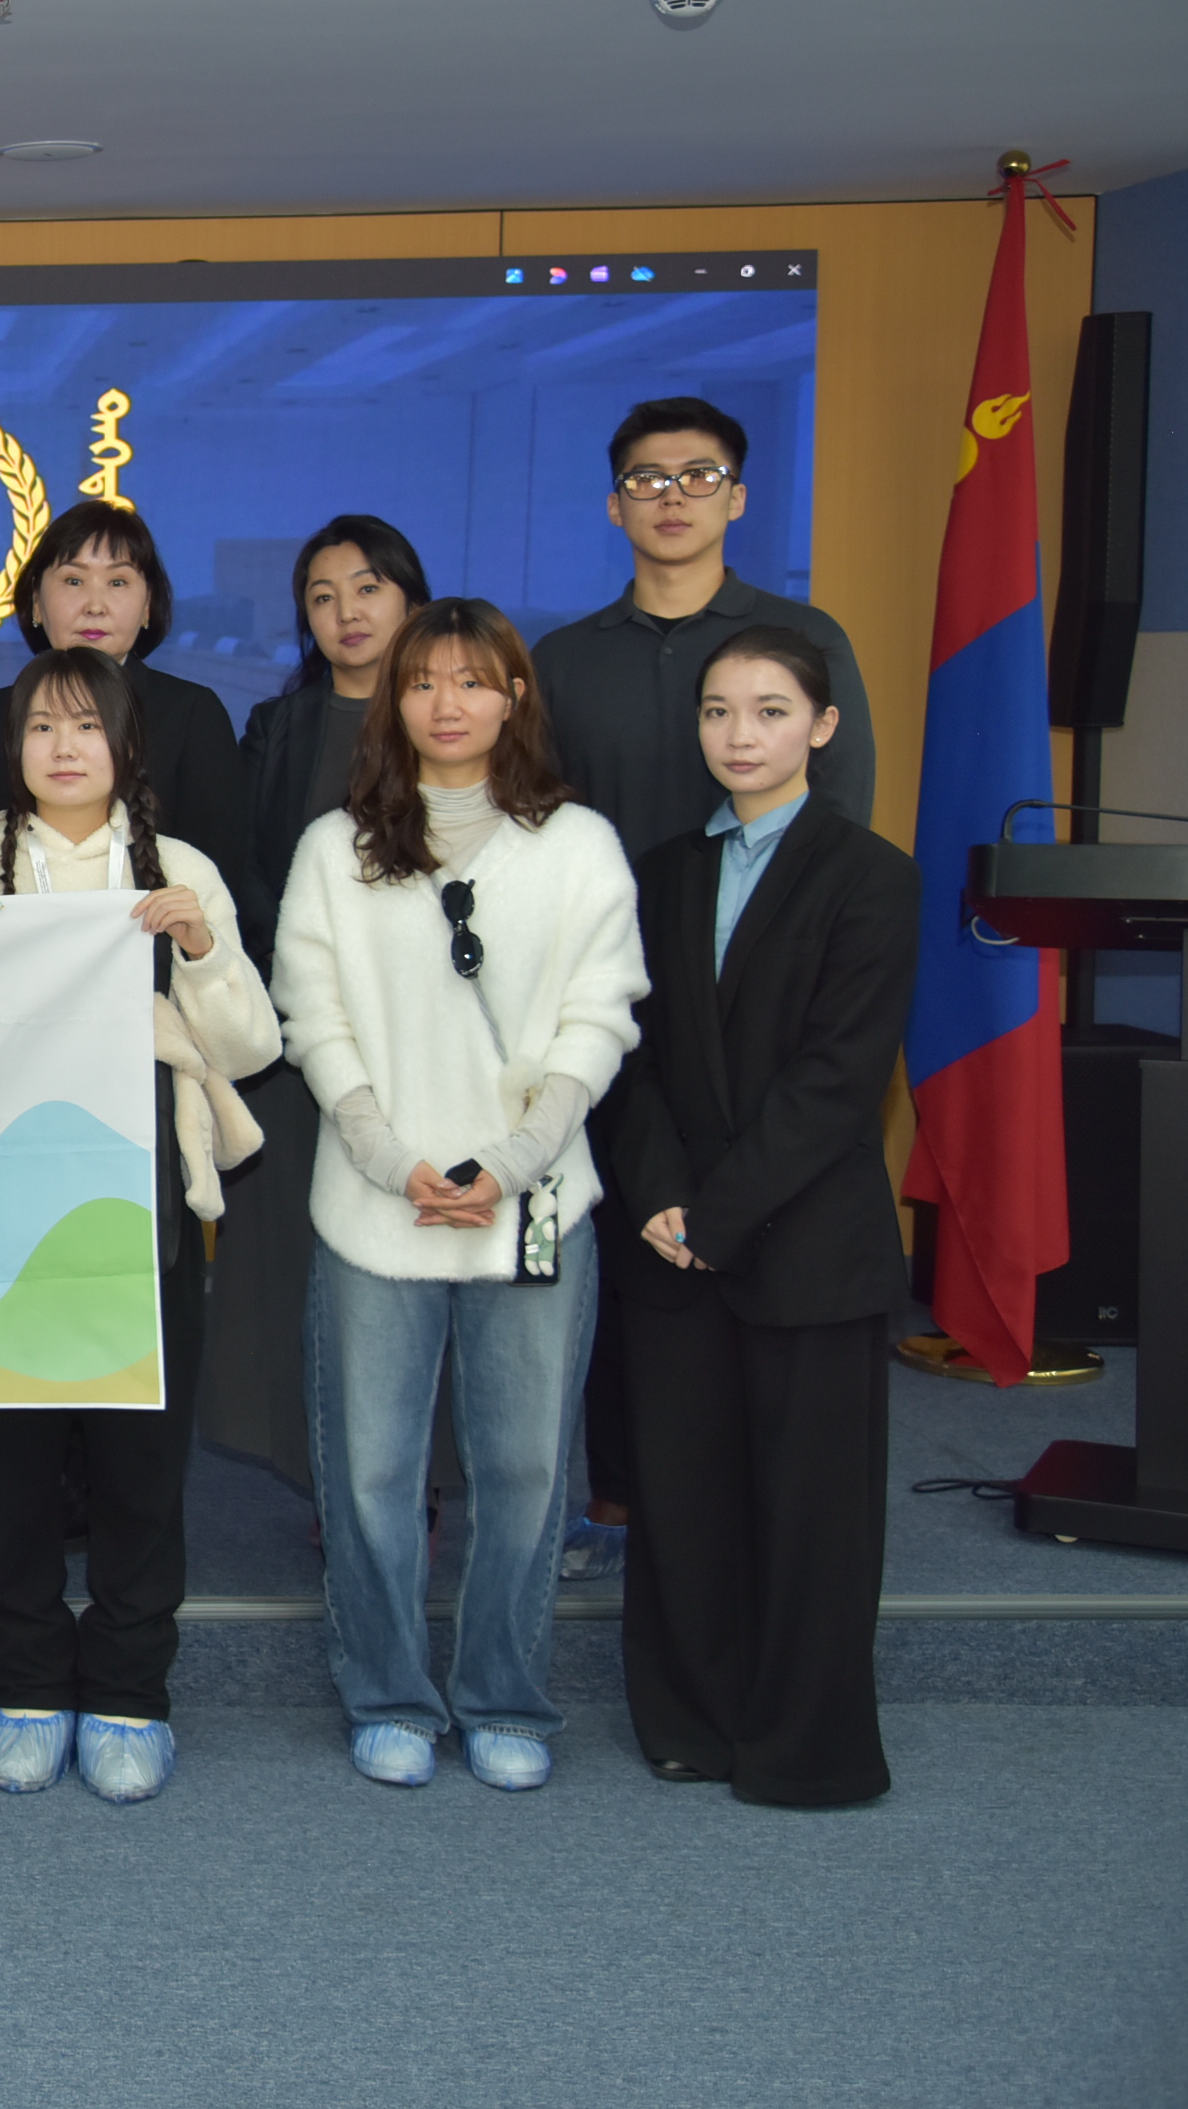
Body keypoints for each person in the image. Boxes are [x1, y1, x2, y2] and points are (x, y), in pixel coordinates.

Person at [271, 598, 642, 1794]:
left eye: (472, 680)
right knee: (369, 1472)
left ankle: (502, 1694)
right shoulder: (334, 848)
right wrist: (390, 1157)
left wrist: (513, 1159)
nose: (445, 702)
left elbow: (600, 1014)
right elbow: (311, 1014)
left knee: (525, 1470)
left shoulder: (576, 844)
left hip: (529, 1204)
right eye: (422, 680)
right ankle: (386, 1691)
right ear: (392, 701)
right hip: (373, 1204)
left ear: (513, 697)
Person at [531, 397, 877, 1578]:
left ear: (736, 494)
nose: (669, 496)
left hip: (763, 1010)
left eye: (695, 474)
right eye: (645, 477)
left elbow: (840, 834)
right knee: (628, 1248)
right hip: (609, 1003)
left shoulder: (799, 637)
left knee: (757, 1232)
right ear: (611, 503)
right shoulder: (564, 659)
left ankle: (741, 1516)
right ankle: (622, 1497)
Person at [0, 647, 277, 1804]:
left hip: (140, 1202)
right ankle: (24, 1681)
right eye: (39, 726)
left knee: (139, 1457)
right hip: (0, 1204)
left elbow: (251, 1047)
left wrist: (200, 947)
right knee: (9, 1462)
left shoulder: (176, 867)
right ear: (11, 747)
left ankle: (129, 1689)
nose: (62, 746)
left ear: (125, 744)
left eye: (85, 725)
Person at [601, 629, 914, 1808]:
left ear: (820, 727)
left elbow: (837, 1079)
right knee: (680, 1497)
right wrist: (658, 1195)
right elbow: (627, 1052)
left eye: (770, 710)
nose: (739, 734)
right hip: (669, 1237)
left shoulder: (871, 875)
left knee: (809, 1513)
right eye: (717, 710)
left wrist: (714, 1212)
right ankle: (688, 1720)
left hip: (804, 1245)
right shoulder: (659, 871)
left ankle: (803, 1747)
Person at [205, 516, 431, 1499]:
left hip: (426, 1039)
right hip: (301, 1035)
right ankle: (322, 1475)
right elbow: (248, 870)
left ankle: (412, 1482)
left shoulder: (451, 718)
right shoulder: (278, 726)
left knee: (412, 1254)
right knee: (299, 1262)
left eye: (368, 588)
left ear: (410, 598)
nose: (347, 612)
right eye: (323, 596)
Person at [0, 500, 254, 925]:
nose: (95, 605)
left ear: (148, 605)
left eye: (117, 582)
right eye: (73, 580)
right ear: (36, 602)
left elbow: (219, 879)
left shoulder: (192, 713)